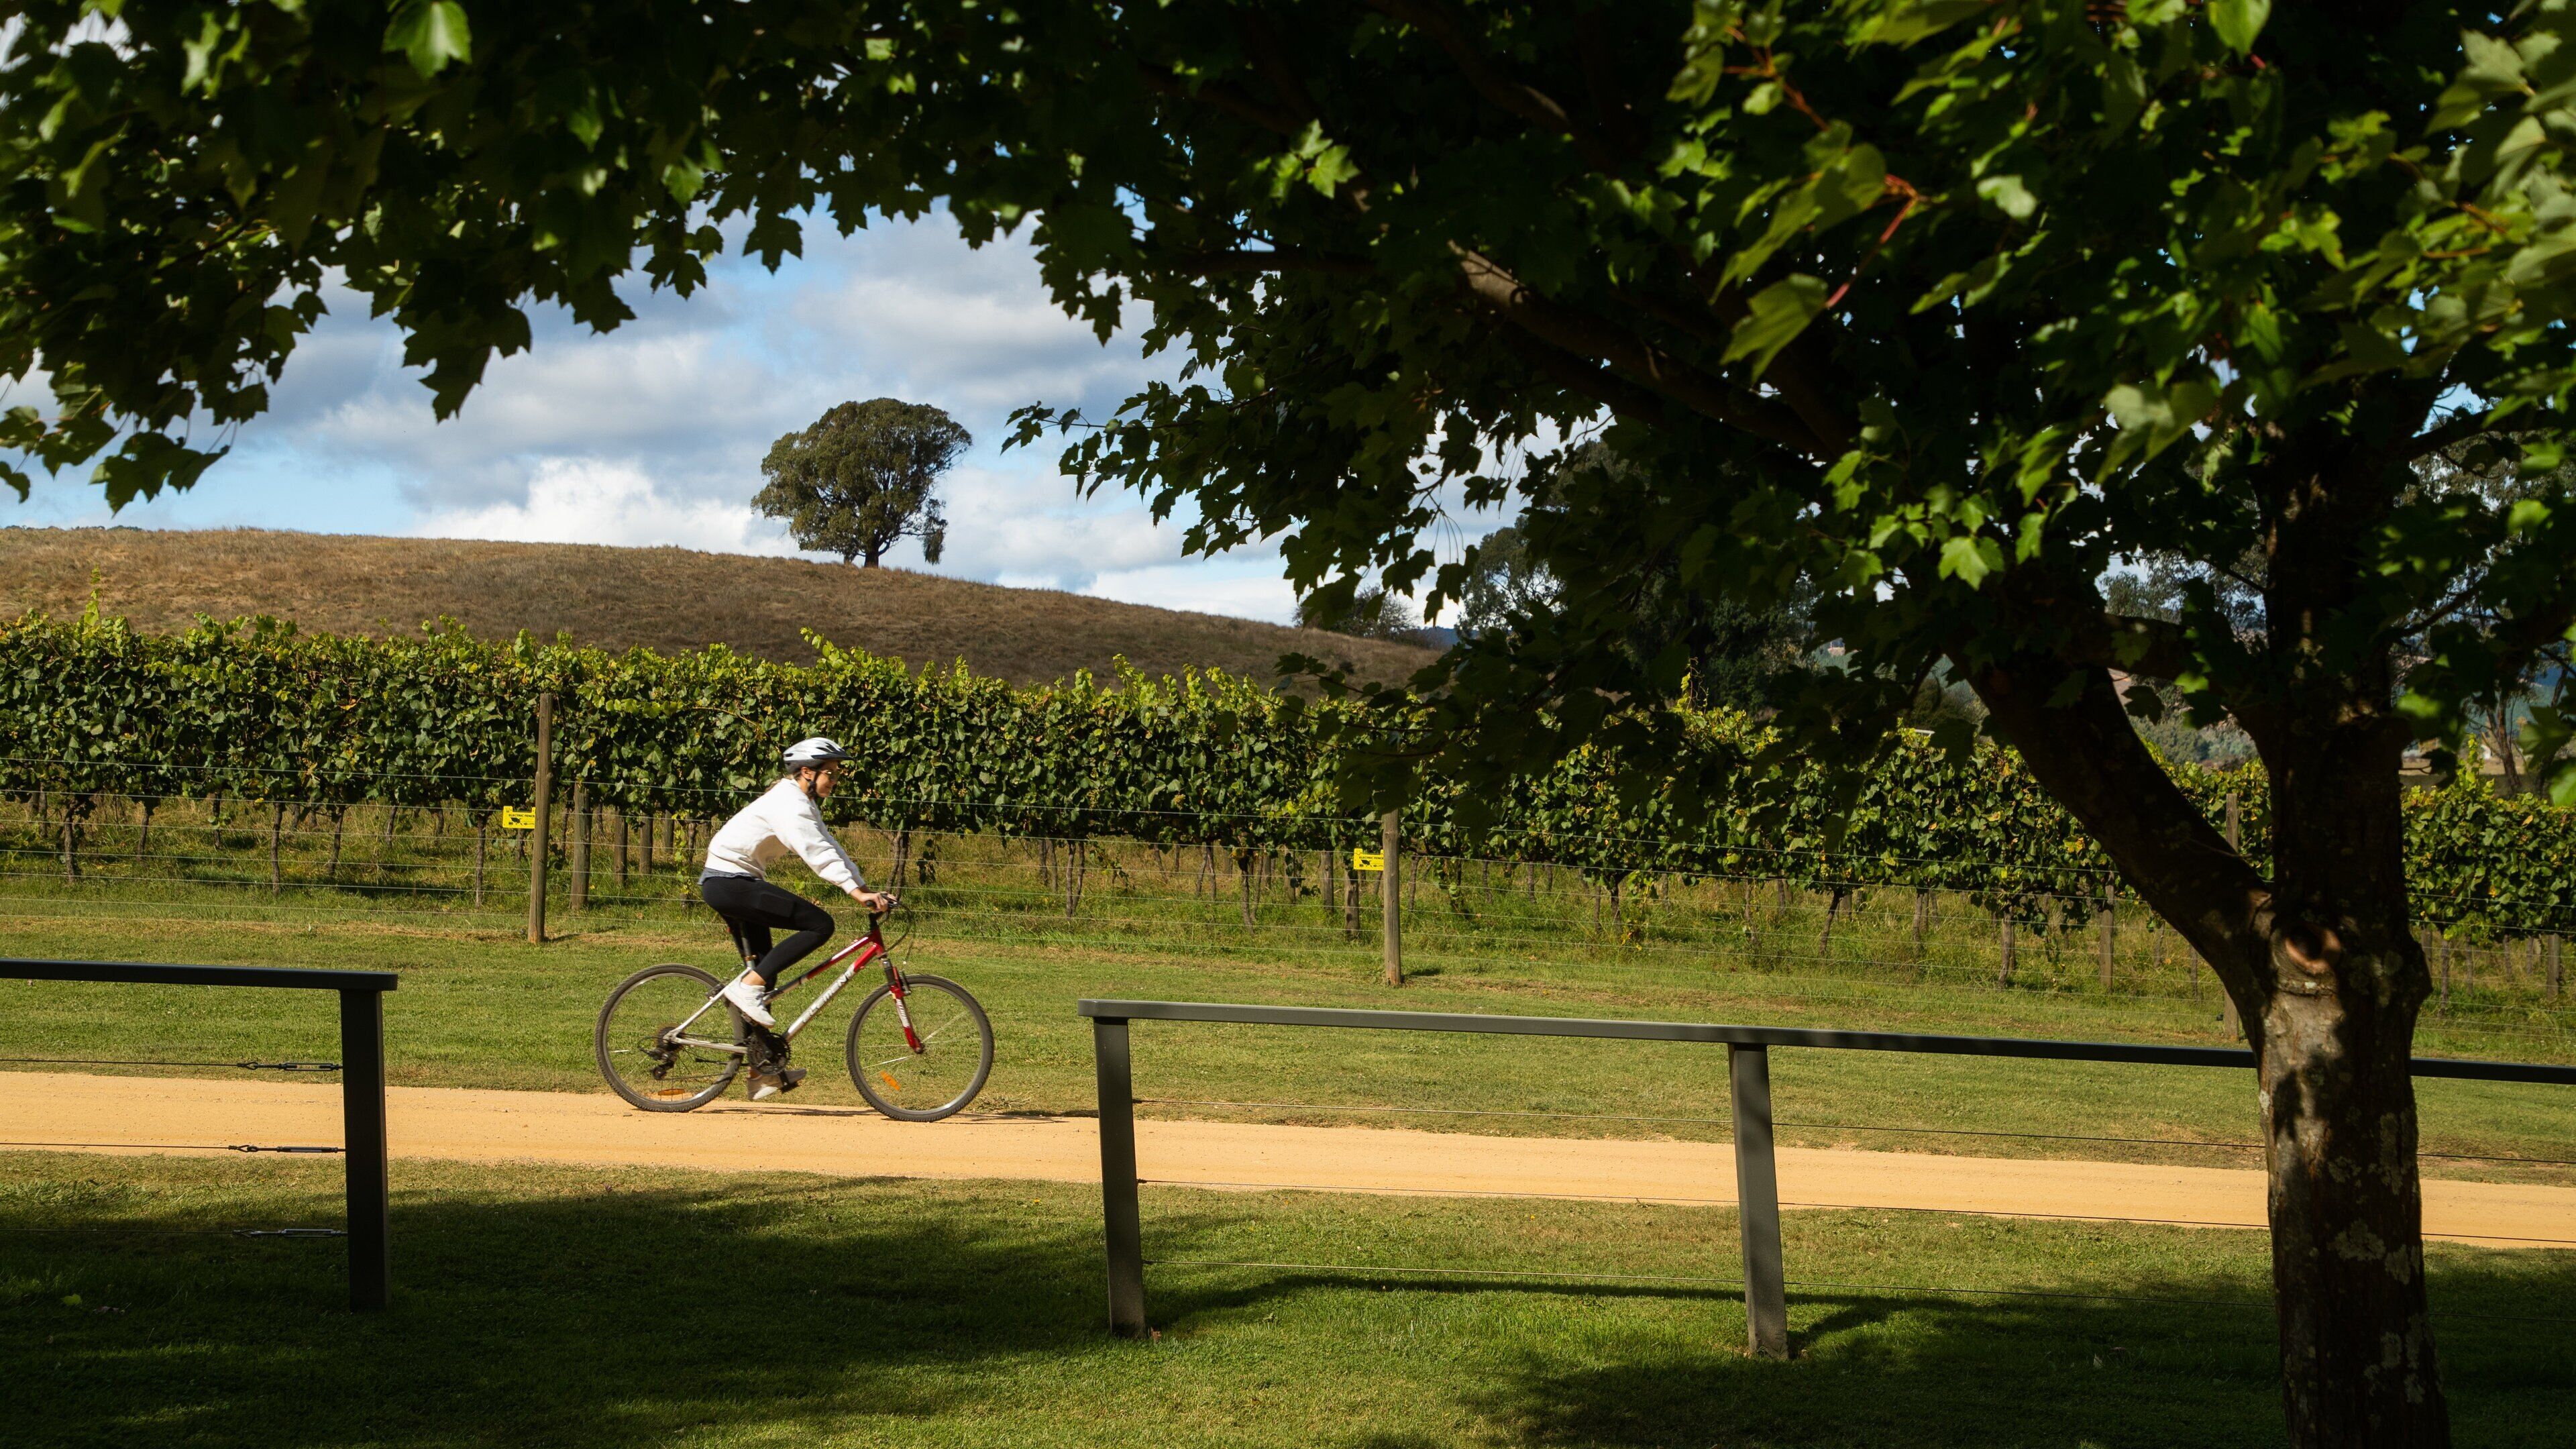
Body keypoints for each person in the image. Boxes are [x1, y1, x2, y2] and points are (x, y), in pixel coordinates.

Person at [700, 737, 894, 1099]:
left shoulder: (801, 801)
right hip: (729, 882)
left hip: (733, 882)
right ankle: (747, 988)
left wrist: (865, 887)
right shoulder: (789, 804)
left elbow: (829, 845)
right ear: (807, 772)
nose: (835, 781)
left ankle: (762, 1071)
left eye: (837, 775)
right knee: (820, 925)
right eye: (831, 774)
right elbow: (815, 852)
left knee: (765, 971)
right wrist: (856, 892)